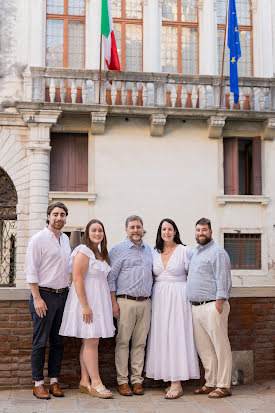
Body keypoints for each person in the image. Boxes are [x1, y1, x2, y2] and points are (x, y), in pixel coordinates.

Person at [59, 219, 115, 399]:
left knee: (89, 341)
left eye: (100, 230)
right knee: (92, 341)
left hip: (100, 302)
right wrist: (85, 306)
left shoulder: (99, 252)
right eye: (94, 230)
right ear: (87, 233)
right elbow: (77, 279)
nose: (97, 233)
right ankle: (97, 382)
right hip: (88, 301)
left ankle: (84, 381)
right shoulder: (83, 251)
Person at [145, 218, 200, 399]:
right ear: (159, 233)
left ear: (175, 231)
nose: (166, 232)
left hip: (179, 297)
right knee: (163, 336)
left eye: (170, 229)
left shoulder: (185, 251)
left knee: (177, 335)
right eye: (163, 229)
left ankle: (177, 383)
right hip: (159, 297)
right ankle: (169, 379)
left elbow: (193, 276)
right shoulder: (153, 253)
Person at [24, 202, 71, 399]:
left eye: (62, 214)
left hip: (63, 296)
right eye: (55, 214)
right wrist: (37, 298)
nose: (59, 218)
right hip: (43, 296)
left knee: (58, 342)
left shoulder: (66, 240)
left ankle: (54, 381)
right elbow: (30, 271)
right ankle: (38, 383)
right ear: (48, 216)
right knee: (40, 342)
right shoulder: (38, 239)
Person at [186, 217, 232, 399]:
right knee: (204, 348)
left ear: (211, 232)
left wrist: (220, 302)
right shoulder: (196, 253)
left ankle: (223, 385)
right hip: (196, 307)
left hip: (213, 305)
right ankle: (211, 382)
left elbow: (223, 279)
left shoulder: (218, 252)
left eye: (204, 230)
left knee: (220, 346)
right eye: (198, 230)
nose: (201, 233)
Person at [108, 215, 153, 396]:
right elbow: (110, 279)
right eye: (132, 227)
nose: (136, 230)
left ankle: (137, 380)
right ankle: (122, 381)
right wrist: (113, 304)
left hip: (145, 303)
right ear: (126, 230)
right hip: (125, 302)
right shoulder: (118, 250)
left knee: (140, 344)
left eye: (138, 227)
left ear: (142, 229)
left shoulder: (149, 250)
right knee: (123, 343)